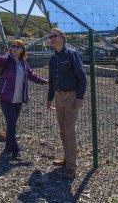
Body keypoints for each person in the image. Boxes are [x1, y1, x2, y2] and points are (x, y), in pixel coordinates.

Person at [0, 39, 47, 160]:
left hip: (18, 99)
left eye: (18, 47)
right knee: (11, 124)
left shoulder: (23, 63)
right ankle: (16, 151)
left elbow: (31, 75)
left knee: (12, 124)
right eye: (13, 46)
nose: (15, 48)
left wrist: (44, 81)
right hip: (6, 98)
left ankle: (7, 148)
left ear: (22, 50)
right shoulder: (7, 59)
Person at [45, 28, 86, 180]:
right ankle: (67, 158)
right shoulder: (53, 59)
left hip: (71, 97)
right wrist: (50, 98)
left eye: (55, 35)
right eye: (51, 36)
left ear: (63, 37)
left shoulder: (72, 55)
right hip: (58, 96)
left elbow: (82, 77)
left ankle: (72, 167)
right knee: (63, 131)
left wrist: (80, 97)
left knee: (69, 131)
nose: (52, 38)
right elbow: (52, 81)